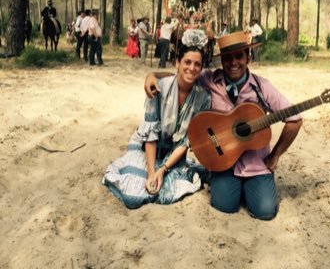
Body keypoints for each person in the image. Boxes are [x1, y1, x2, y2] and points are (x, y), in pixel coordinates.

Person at [144, 31, 303, 220]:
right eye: (227, 58)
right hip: (222, 162)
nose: (233, 62)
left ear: (248, 58)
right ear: (222, 61)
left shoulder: (262, 87)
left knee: (266, 211)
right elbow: (184, 73)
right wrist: (152, 75)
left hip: (256, 164)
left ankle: (252, 188)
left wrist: (275, 156)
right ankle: (230, 186)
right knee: (224, 206)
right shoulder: (210, 79)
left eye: (239, 56)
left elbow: (295, 119)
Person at [102, 29, 211, 208]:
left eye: (197, 64)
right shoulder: (158, 87)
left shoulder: (204, 98)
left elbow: (186, 142)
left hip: (174, 155)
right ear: (177, 62)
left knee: (167, 191)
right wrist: (152, 172)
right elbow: (150, 135)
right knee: (133, 196)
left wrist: (163, 170)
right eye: (187, 62)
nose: (192, 68)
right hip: (147, 147)